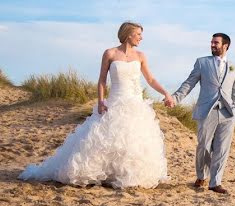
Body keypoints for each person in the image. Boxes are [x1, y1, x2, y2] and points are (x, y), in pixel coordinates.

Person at [19, 22, 173, 188]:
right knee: (105, 140)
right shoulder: (110, 53)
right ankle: (102, 173)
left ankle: (123, 175)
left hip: (135, 104)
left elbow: (150, 79)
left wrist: (166, 93)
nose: (141, 38)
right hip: (114, 102)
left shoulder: (141, 56)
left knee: (133, 140)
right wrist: (100, 101)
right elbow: (102, 80)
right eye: (138, 34)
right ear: (128, 34)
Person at [170, 32, 235, 194]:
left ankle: (215, 182)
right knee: (204, 146)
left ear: (225, 46)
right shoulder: (202, 63)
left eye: (216, 43)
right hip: (207, 111)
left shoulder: (234, 67)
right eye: (211, 42)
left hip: (227, 113)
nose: (212, 45)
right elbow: (189, 83)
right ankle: (202, 175)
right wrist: (175, 98)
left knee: (222, 148)